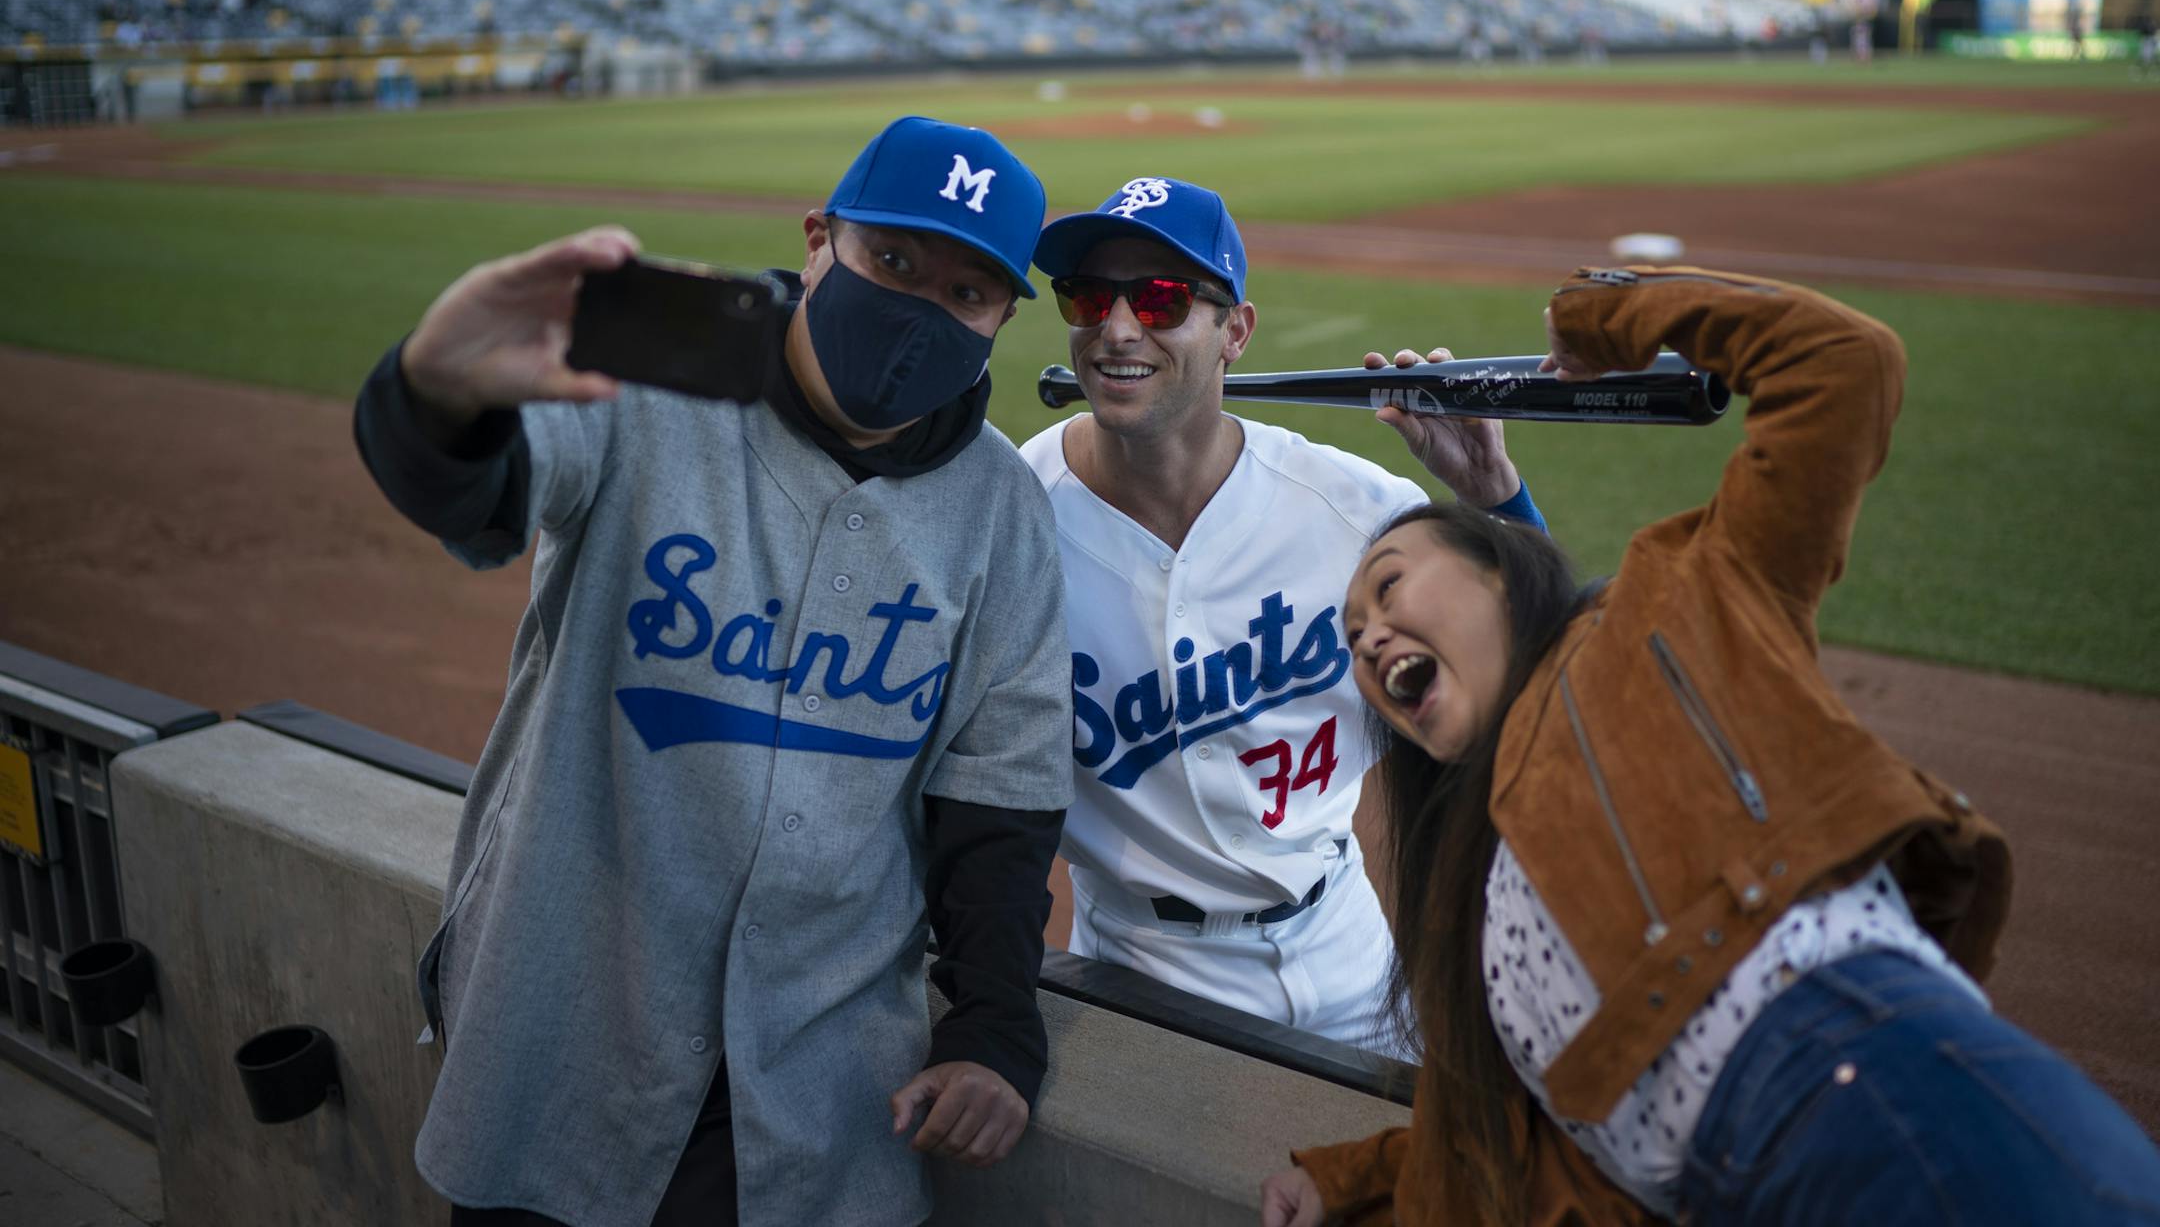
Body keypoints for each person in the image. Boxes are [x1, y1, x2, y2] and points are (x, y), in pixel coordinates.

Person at [1262, 266, 2160, 1226]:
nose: (1369, 638)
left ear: (1493, 573)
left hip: (1877, 1104)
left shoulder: (1681, 615)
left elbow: (1845, 365)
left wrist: (1611, 312)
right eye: (1354, 637)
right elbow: (1493, 1137)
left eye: (1390, 588)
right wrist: (1354, 1178)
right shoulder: (1479, 883)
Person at [353, 116, 1074, 1227]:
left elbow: (1000, 800)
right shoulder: (649, 391)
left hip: (820, 1085)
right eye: (895, 262)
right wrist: (436, 395)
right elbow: (477, 488)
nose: (924, 308)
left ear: (1001, 317)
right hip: (567, 1032)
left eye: (970, 292)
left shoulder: (1003, 512)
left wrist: (991, 1030)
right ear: (819, 239)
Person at [1017, 176, 1542, 1054]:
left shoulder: (1354, 510)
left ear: (1237, 333)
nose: (1115, 327)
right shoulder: (1017, 520)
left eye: (1160, 299)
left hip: (1347, 950)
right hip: (1139, 979)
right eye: (1088, 296)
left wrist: (1498, 504)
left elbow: (1528, 692)